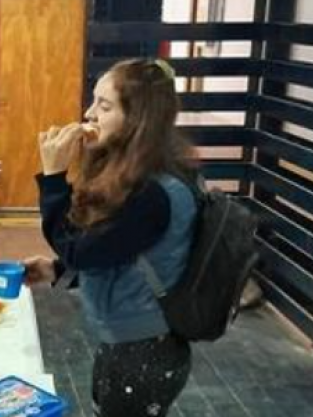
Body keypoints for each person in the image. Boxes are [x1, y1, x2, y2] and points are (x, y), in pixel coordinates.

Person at [23, 58, 197, 416]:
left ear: (138, 118)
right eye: (93, 101)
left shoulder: (155, 191)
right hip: (127, 341)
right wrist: (57, 270)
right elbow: (114, 250)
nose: (89, 113)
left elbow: (82, 252)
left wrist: (54, 177)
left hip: (145, 350)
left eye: (104, 106)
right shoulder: (134, 174)